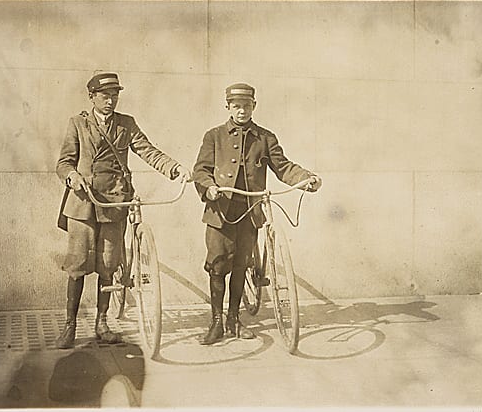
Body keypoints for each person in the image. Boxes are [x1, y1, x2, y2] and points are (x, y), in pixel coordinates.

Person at [55, 72, 191, 349]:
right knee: (78, 266)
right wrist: (72, 177)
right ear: (92, 96)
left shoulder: (126, 125)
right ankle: (70, 326)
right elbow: (64, 162)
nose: (111, 100)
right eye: (105, 96)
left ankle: (102, 323)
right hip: (82, 203)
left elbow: (148, 151)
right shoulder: (78, 123)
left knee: (108, 265)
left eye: (115, 95)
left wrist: (173, 168)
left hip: (115, 202)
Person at [192, 83, 322, 345]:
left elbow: (283, 167)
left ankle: (233, 320)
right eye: (236, 106)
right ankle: (216, 322)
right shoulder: (214, 136)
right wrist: (209, 188)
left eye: (247, 106)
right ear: (227, 106)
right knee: (218, 266)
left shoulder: (265, 138)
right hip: (220, 211)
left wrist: (306, 179)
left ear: (254, 106)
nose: (242, 111)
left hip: (249, 211)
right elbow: (200, 170)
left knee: (240, 265)